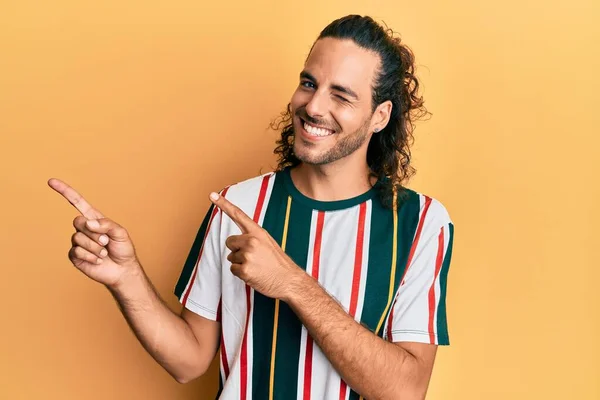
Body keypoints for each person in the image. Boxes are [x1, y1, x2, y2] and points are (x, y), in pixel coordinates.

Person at [49, 14, 454, 400]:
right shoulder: (237, 205)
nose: (313, 107)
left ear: (380, 116)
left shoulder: (422, 224)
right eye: (309, 83)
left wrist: (292, 284)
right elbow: (189, 361)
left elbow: (405, 389)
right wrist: (126, 279)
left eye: (341, 95)